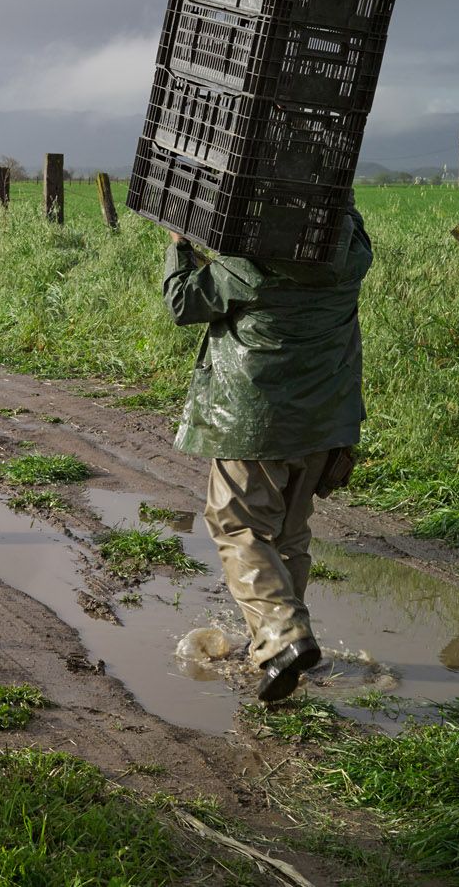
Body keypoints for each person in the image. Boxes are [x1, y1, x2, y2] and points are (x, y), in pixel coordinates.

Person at [162, 207, 372, 703]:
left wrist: (179, 244)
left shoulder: (248, 267)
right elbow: (350, 218)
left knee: (238, 526)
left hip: (255, 422)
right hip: (324, 419)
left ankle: (283, 638)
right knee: (288, 535)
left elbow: (181, 302)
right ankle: (280, 651)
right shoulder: (351, 255)